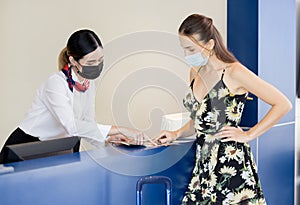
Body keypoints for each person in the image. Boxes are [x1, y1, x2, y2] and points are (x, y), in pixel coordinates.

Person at [154, 14, 292, 204]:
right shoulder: (196, 72)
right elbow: (200, 119)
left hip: (231, 165)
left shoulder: (234, 72)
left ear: (210, 44)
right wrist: (176, 133)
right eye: (183, 49)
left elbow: (283, 104)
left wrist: (248, 135)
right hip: (203, 169)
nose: (187, 55)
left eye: (191, 49)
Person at [0, 29, 146, 164]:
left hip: (62, 147)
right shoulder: (56, 83)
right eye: (91, 62)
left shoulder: (88, 85)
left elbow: (88, 124)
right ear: (73, 61)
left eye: (100, 60)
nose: (97, 66)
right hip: (27, 148)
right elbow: (72, 126)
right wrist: (119, 129)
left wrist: (110, 141)